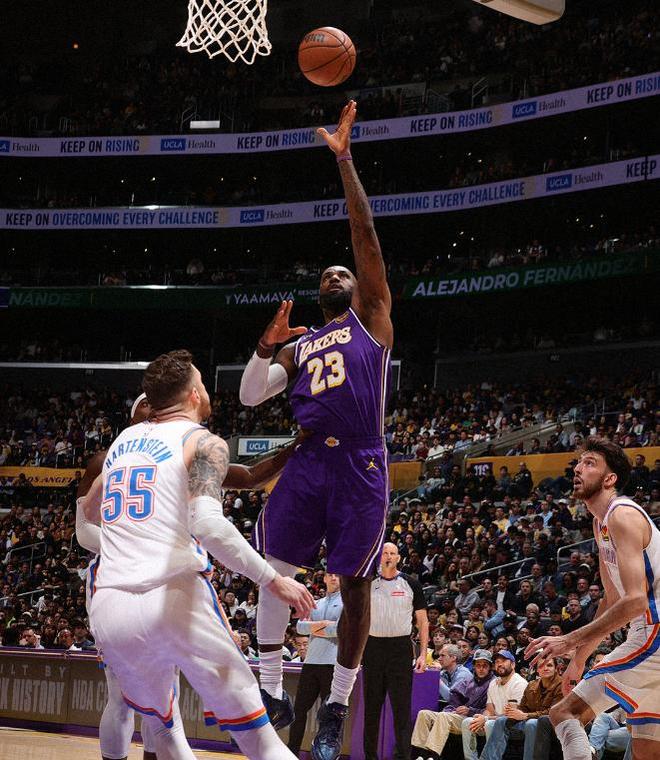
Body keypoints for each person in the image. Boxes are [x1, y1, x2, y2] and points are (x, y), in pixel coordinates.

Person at [239, 100, 393, 760]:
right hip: (307, 459)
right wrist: (265, 345)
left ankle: (337, 705)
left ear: (358, 288)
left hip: (359, 461)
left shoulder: (372, 318)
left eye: (343, 272)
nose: (335, 273)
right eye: (326, 273)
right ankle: (272, 688)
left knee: (354, 585)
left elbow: (366, 237)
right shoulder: (300, 346)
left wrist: (344, 159)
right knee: (274, 568)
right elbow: (249, 396)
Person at [85, 350, 314, 760]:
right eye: (203, 384)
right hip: (171, 595)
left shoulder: (121, 443)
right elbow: (207, 524)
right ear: (194, 394)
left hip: (110, 607)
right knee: (259, 739)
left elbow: (89, 509)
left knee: (164, 727)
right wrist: (273, 579)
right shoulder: (202, 441)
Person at [526, 437, 660, 760]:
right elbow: (611, 601)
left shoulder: (622, 515)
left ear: (609, 478)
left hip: (654, 632)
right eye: (578, 462)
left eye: (589, 463)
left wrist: (568, 640)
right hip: (648, 634)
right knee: (647, 750)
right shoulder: (601, 524)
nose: (578, 469)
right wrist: (579, 658)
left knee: (563, 713)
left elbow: (635, 601)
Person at [362, 542, 429, 760]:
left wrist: (422, 654)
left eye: (392, 553)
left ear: (398, 558)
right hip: (373, 648)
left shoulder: (411, 583)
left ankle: (402, 757)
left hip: (400, 650)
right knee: (371, 709)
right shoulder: (368, 583)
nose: (389, 556)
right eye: (385, 553)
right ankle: (370, 757)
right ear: (379, 557)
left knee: (401, 709)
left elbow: (423, 621)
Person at [288, 573, 344, 757]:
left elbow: (340, 629)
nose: (334, 578)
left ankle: (326, 755)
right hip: (311, 664)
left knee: (330, 715)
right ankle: (291, 752)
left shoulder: (347, 603)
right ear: (325, 579)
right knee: (298, 711)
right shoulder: (315, 603)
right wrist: (324, 625)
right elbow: (300, 627)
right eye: (330, 575)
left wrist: (314, 627)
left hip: (332, 664)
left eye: (337, 575)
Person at [411, 649, 495, 759]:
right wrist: (451, 710)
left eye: (485, 666)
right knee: (424, 714)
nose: (481, 669)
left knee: (444, 716)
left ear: (490, 667)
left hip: (474, 719)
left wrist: (470, 711)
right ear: (474, 666)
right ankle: (419, 754)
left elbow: (490, 711)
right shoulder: (469, 681)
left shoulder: (493, 683)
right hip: (457, 716)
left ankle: (433, 756)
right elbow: (454, 700)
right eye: (478, 665)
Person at [479, 657, 563, 760]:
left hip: (551, 725)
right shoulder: (532, 684)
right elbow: (523, 707)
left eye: (549, 665)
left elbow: (553, 712)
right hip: (529, 719)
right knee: (501, 720)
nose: (545, 668)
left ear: (555, 669)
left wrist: (525, 715)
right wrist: (515, 712)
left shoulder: (562, 685)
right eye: (541, 666)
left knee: (531, 723)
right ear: (537, 670)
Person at [461, 650, 528, 760]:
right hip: (494, 720)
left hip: (513, 724)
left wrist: (486, 719)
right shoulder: (493, 683)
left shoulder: (519, 683)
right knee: (467, 722)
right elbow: (489, 710)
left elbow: (512, 715)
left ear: (513, 664)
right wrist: (483, 717)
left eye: (504, 661)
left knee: (490, 724)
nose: (499, 664)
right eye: (497, 662)